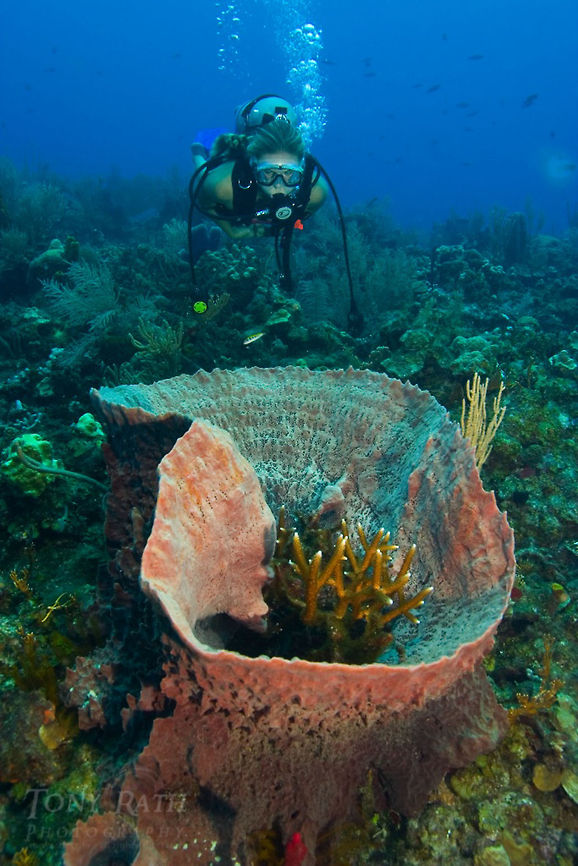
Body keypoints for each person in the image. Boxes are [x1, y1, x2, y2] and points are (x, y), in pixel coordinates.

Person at [188, 94, 360, 331]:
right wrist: (233, 231)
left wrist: (287, 223)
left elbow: (303, 214)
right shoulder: (221, 185)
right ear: (254, 167)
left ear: (301, 171)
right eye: (268, 174)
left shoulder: (316, 192)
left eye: (290, 175)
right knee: (205, 164)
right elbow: (203, 201)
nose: (279, 186)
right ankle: (204, 145)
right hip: (243, 134)